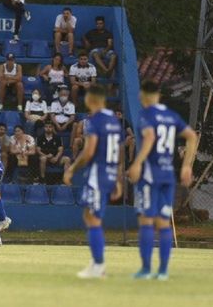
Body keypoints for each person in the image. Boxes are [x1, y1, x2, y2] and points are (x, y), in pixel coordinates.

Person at [127, 81, 198, 281]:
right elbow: (192, 137)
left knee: (146, 221)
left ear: (145, 96)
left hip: (150, 174)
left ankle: (147, 269)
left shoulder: (146, 115)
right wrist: (186, 165)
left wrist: (137, 163)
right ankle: (164, 271)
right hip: (168, 174)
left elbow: (149, 138)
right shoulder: (170, 115)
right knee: (164, 223)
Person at [63, 85, 123, 279]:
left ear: (92, 100)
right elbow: (119, 151)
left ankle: (98, 266)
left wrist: (71, 168)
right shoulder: (114, 121)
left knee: (93, 218)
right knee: (90, 216)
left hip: (98, 174)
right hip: (108, 173)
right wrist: (117, 178)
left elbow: (89, 151)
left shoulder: (96, 120)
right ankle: (96, 261)